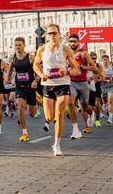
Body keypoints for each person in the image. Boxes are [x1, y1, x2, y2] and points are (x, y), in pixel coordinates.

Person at [33, 23, 81, 156]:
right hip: (48, 85)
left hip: (63, 84)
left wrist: (66, 72)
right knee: (49, 116)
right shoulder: (42, 49)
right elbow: (35, 66)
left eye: (54, 33)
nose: (52, 35)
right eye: (49, 33)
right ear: (47, 36)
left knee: (59, 114)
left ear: (59, 34)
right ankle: (50, 122)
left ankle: (57, 144)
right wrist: (42, 75)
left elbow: (77, 69)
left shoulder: (66, 49)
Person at [67, 33, 99, 137]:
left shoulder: (83, 53)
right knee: (71, 103)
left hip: (83, 83)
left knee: (84, 106)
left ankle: (91, 114)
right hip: (71, 82)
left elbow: (95, 68)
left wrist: (82, 67)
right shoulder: (66, 54)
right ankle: (75, 128)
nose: (72, 43)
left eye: (74, 41)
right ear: (69, 42)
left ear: (78, 43)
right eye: (71, 41)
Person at [10, 37, 38, 142]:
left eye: (19, 45)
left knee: (32, 113)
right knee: (20, 106)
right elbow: (10, 70)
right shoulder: (12, 58)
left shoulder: (31, 57)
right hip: (19, 87)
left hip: (30, 87)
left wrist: (35, 81)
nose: (17, 47)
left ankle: (36, 102)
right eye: (16, 45)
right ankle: (24, 132)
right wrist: (7, 78)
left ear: (24, 45)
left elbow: (38, 70)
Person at [100, 55, 113, 124]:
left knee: (110, 101)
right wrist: (102, 79)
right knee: (104, 102)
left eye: (107, 59)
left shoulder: (112, 68)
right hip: (102, 87)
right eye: (104, 59)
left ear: (109, 60)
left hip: (111, 86)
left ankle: (110, 118)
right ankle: (104, 105)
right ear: (102, 60)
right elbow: (97, 77)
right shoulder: (100, 68)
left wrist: (112, 79)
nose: (105, 61)